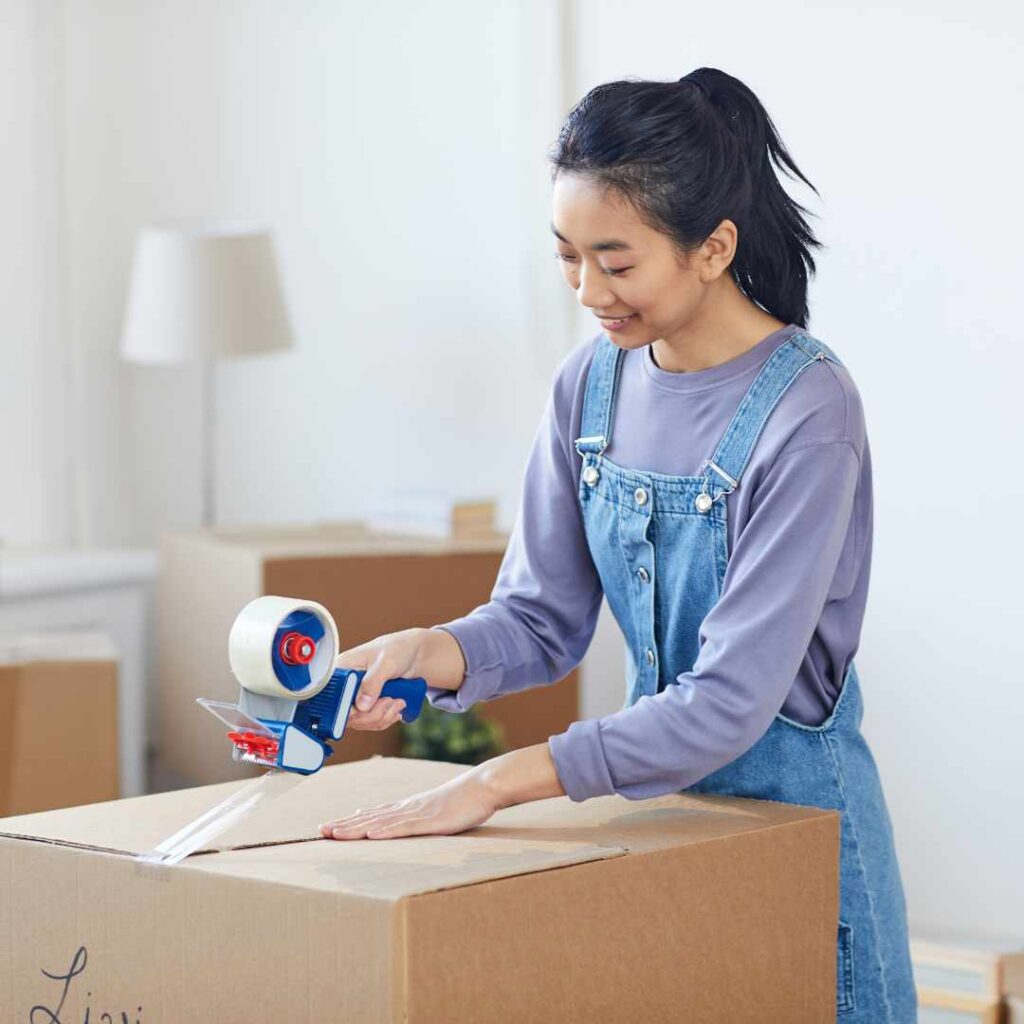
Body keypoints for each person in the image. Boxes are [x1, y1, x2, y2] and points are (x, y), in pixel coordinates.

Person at [318, 67, 916, 1022]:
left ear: (712, 248)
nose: (588, 291)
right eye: (566, 256)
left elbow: (727, 704)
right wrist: (428, 655)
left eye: (617, 260)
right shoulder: (590, 385)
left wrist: (495, 783)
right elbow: (541, 619)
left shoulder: (809, 411)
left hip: (802, 840)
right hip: (661, 824)